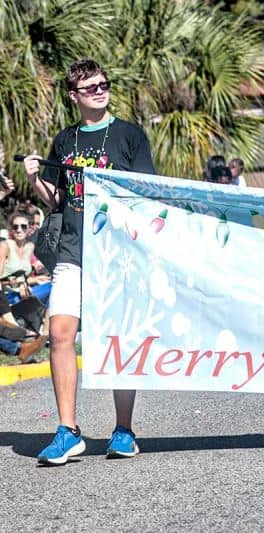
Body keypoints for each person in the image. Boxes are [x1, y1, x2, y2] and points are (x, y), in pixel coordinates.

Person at [23, 58, 156, 465]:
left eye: (104, 84)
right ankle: (68, 430)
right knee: (60, 333)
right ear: (75, 96)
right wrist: (34, 178)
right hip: (72, 248)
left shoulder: (130, 136)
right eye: (91, 87)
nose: (100, 90)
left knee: (117, 337)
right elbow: (59, 200)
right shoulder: (65, 141)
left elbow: (145, 193)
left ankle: (124, 430)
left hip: (118, 254)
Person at [0, 212, 52, 305]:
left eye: (23, 226)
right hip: (8, 297)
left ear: (29, 228)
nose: (19, 230)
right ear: (11, 230)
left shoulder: (29, 247)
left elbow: (23, 279)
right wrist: (19, 284)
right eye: (15, 227)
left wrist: (37, 279)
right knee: (54, 290)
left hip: (24, 294)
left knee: (56, 285)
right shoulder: (5, 246)